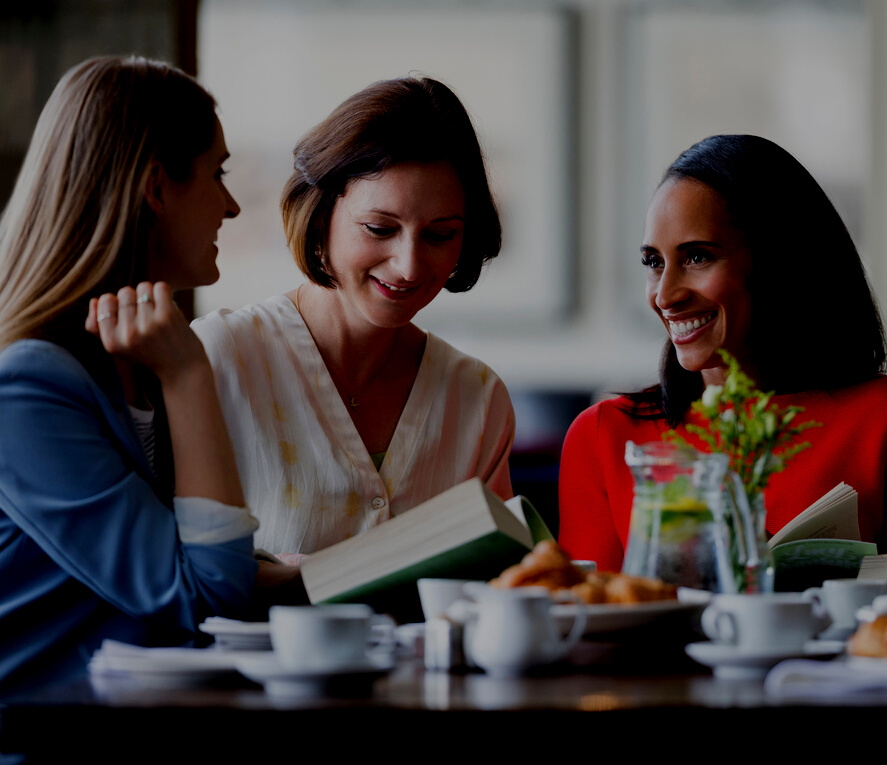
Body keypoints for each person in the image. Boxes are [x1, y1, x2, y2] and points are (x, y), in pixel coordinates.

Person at [558, 134, 887, 571]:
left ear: (778, 262)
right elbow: (582, 625)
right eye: (654, 262)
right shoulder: (603, 436)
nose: (665, 295)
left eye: (696, 257)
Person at [0, 56, 258, 695]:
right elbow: (207, 593)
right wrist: (190, 376)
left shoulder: (138, 356)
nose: (230, 205)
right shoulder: (26, 392)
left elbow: (190, 566)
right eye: (216, 172)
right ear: (156, 187)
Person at [192, 76, 513, 558]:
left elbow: (499, 588)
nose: (408, 265)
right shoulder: (219, 359)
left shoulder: (476, 399)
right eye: (380, 228)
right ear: (320, 215)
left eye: (440, 235)